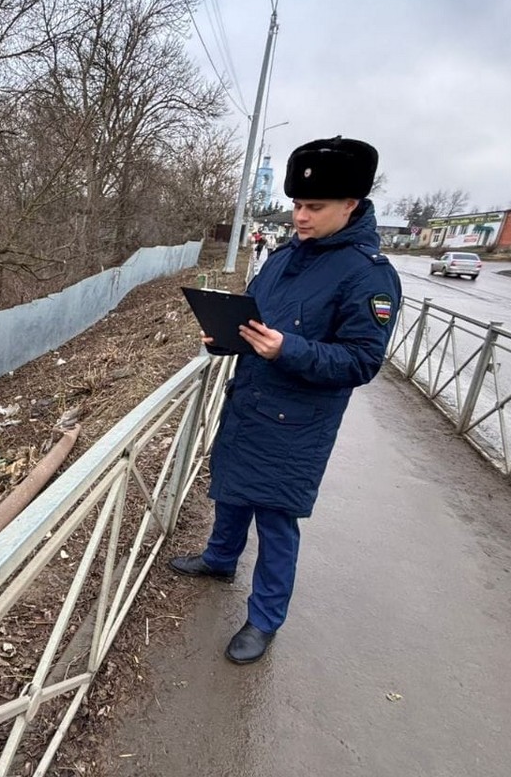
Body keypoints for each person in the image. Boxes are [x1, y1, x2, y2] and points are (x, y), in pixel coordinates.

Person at [170, 136, 403, 664]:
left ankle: (264, 619)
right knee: (231, 490)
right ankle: (219, 558)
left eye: (314, 207)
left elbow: (362, 361)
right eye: (298, 204)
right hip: (250, 400)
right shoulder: (282, 258)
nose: (300, 216)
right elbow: (258, 320)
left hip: (298, 421)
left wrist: (287, 349)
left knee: (276, 519)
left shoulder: (369, 276)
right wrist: (226, 336)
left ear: (351, 205)